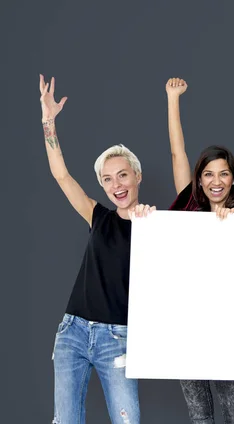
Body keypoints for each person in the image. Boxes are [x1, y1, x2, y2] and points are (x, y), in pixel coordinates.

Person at [40, 74, 154, 424]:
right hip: (72, 332)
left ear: (137, 177)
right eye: (107, 179)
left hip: (116, 339)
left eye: (122, 175)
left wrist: (148, 223)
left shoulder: (155, 226)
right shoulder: (97, 215)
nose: (115, 185)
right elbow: (62, 176)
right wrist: (48, 121)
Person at [165, 77, 234, 424]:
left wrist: (232, 226)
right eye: (208, 174)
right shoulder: (188, 205)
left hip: (228, 327)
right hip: (188, 323)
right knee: (200, 415)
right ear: (199, 179)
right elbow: (176, 152)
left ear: (233, 179)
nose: (216, 181)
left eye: (224, 174)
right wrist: (173, 100)